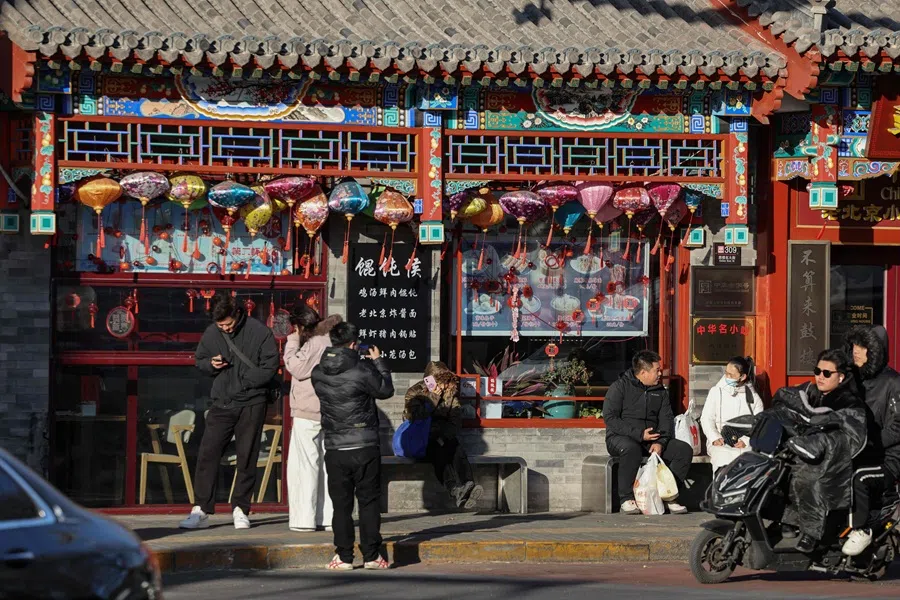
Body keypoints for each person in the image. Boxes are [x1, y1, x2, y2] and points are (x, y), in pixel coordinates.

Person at [180, 293, 279, 530]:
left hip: (252, 402)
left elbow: (270, 366)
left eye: (227, 324)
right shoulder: (212, 333)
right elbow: (199, 359)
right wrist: (210, 364)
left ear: (237, 313)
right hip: (221, 402)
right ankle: (201, 508)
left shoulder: (260, 332)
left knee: (247, 456)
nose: (224, 328)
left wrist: (243, 380)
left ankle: (241, 509)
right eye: (220, 325)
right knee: (207, 454)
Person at [312, 322, 394, 570]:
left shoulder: (318, 372)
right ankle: (371, 556)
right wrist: (379, 362)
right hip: (364, 445)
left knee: (341, 506)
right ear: (353, 344)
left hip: (335, 447)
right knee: (368, 502)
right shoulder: (362, 369)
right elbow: (385, 391)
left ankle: (344, 556)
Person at [772, 349, 868, 553]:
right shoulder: (810, 392)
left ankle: (811, 533)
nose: (820, 377)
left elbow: (853, 437)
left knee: (811, 481)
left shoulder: (850, 401)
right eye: (817, 371)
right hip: (803, 451)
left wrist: (822, 440)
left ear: (840, 376)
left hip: (832, 460)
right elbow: (787, 403)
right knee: (777, 471)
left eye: (827, 373)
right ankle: (785, 521)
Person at [604, 350, 692, 515]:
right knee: (631, 449)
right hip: (620, 438)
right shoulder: (619, 387)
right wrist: (638, 434)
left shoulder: (660, 391)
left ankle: (669, 496)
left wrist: (661, 442)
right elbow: (610, 418)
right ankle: (626, 498)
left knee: (683, 450)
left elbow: (666, 419)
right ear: (643, 372)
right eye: (656, 370)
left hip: (652, 440)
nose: (660, 373)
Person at [283, 305, 343, 532]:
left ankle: (304, 520)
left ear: (300, 326)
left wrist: (291, 342)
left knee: (305, 466)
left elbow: (296, 368)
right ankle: (326, 517)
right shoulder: (331, 340)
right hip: (330, 409)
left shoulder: (315, 343)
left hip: (309, 409)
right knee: (327, 466)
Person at [841, 325, 900, 556]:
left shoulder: (893, 382)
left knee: (860, 478)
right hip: (855, 451)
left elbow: (897, 426)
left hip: (888, 458)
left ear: (875, 351)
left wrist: (870, 445)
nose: (856, 351)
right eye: (854, 345)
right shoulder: (851, 379)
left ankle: (861, 529)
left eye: (862, 346)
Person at [403, 362, 483, 509]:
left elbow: (455, 420)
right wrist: (433, 398)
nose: (443, 386)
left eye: (445, 381)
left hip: (443, 436)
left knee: (455, 446)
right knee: (438, 451)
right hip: (421, 439)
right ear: (430, 379)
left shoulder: (450, 393)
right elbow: (411, 418)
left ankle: (468, 485)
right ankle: (455, 489)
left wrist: (444, 436)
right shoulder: (415, 393)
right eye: (440, 381)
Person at [700, 356, 764, 475]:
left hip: (743, 442)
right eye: (726, 373)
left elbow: (760, 424)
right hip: (720, 440)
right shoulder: (716, 391)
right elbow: (707, 418)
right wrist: (714, 437)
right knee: (722, 461)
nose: (727, 377)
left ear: (743, 377)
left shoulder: (754, 398)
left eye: (731, 375)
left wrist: (746, 440)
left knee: (748, 463)